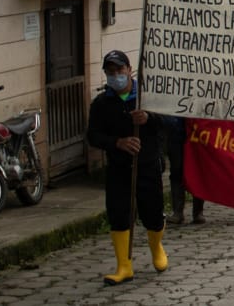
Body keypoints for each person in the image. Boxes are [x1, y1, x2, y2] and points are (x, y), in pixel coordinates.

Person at [86, 50, 167, 285]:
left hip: (147, 164)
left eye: (119, 71)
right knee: (119, 214)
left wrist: (148, 118)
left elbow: (168, 123)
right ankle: (124, 265)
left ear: (129, 70)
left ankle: (157, 248)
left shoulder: (146, 96)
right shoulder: (101, 104)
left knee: (152, 212)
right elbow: (93, 135)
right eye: (110, 72)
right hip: (119, 167)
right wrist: (117, 143)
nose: (115, 76)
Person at [162, 116, 206, 224]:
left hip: (197, 132)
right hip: (176, 133)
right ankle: (177, 212)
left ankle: (198, 212)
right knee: (177, 171)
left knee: (198, 171)